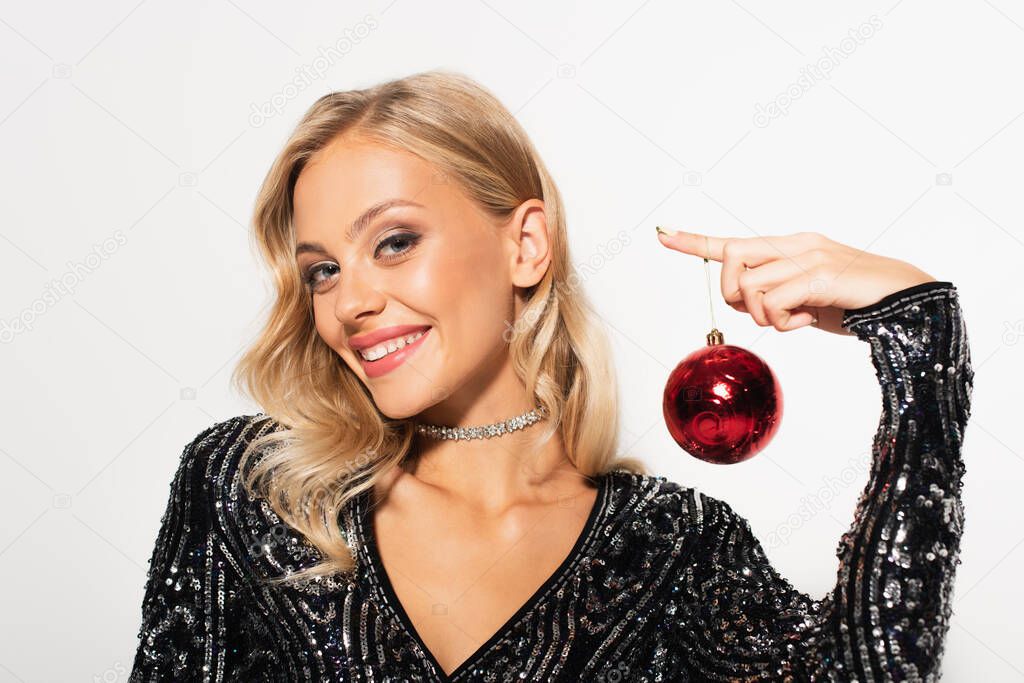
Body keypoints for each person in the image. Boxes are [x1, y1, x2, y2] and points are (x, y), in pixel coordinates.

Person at [128, 70, 974, 682]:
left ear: (524, 244)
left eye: (394, 242)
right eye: (322, 270)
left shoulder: (668, 547)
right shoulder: (255, 493)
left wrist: (920, 339)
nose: (353, 300)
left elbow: (870, 670)